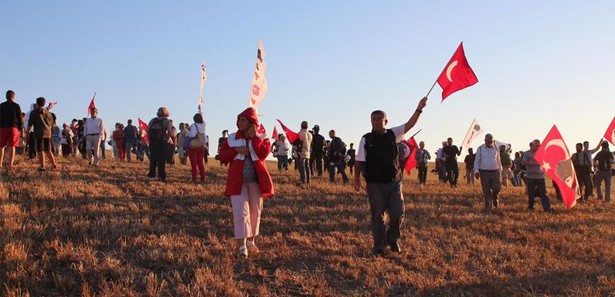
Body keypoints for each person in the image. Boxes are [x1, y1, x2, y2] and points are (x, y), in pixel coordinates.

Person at [354, 97, 427, 255]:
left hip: (394, 182)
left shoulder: (394, 134)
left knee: (398, 213)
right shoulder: (366, 139)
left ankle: (392, 239)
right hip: (374, 184)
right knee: (377, 216)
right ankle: (379, 245)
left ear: (386, 121)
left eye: (379, 118)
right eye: (373, 119)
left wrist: (419, 108)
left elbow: (410, 124)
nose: (375, 121)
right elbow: (359, 161)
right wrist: (356, 180)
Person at [219, 107, 274, 258]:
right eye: (239, 120)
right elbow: (222, 156)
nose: (239, 122)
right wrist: (236, 150)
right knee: (240, 212)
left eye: (243, 119)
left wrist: (255, 138)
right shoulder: (231, 138)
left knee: (255, 212)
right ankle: (241, 246)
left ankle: (251, 241)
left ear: (251, 122)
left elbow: (263, 153)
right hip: (238, 182)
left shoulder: (262, 137)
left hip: (256, 182)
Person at [521, 139, 553, 212]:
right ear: (532, 145)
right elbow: (522, 163)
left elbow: (548, 161)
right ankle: (531, 207)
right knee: (531, 193)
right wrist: (529, 162)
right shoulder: (527, 153)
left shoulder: (542, 153)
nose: (538, 147)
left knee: (543, 193)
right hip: (530, 177)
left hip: (540, 177)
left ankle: (547, 208)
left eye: (539, 145)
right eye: (536, 145)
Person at [27, 97, 57, 172]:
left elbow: (30, 124)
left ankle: (42, 166)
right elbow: (51, 123)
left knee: (40, 150)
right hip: (48, 132)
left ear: (37, 103)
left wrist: (27, 132)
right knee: (48, 150)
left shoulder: (33, 112)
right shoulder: (47, 112)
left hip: (39, 133)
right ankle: (54, 164)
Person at [473, 134, 501, 210]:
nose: (489, 142)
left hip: (495, 171)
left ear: (493, 141)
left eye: (491, 141)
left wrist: (500, 170)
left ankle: (495, 197)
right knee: (486, 188)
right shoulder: (480, 148)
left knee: (497, 187)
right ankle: (488, 204)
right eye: (488, 141)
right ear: (485, 140)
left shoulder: (496, 148)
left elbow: (498, 160)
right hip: (484, 172)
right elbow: (477, 160)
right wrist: (476, 170)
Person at [147, 107, 173, 181]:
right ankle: (161, 176)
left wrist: (149, 138)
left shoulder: (153, 120)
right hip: (162, 141)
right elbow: (169, 132)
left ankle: (151, 175)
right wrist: (167, 138)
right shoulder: (167, 121)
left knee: (153, 158)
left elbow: (148, 130)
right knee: (161, 159)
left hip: (153, 141)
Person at [0, 90, 24, 170]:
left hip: (2, 127)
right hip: (13, 127)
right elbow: (20, 119)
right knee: (12, 146)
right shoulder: (16, 106)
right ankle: (10, 164)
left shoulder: (1, 105)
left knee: (1, 146)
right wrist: (20, 129)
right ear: (13, 97)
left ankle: (0, 163)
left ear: (6, 96)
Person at [187, 113, 207, 183]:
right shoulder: (203, 125)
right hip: (201, 145)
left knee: (193, 163)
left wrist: (188, 132)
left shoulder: (193, 125)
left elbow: (192, 134)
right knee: (200, 163)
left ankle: (194, 179)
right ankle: (203, 178)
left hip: (194, 146)